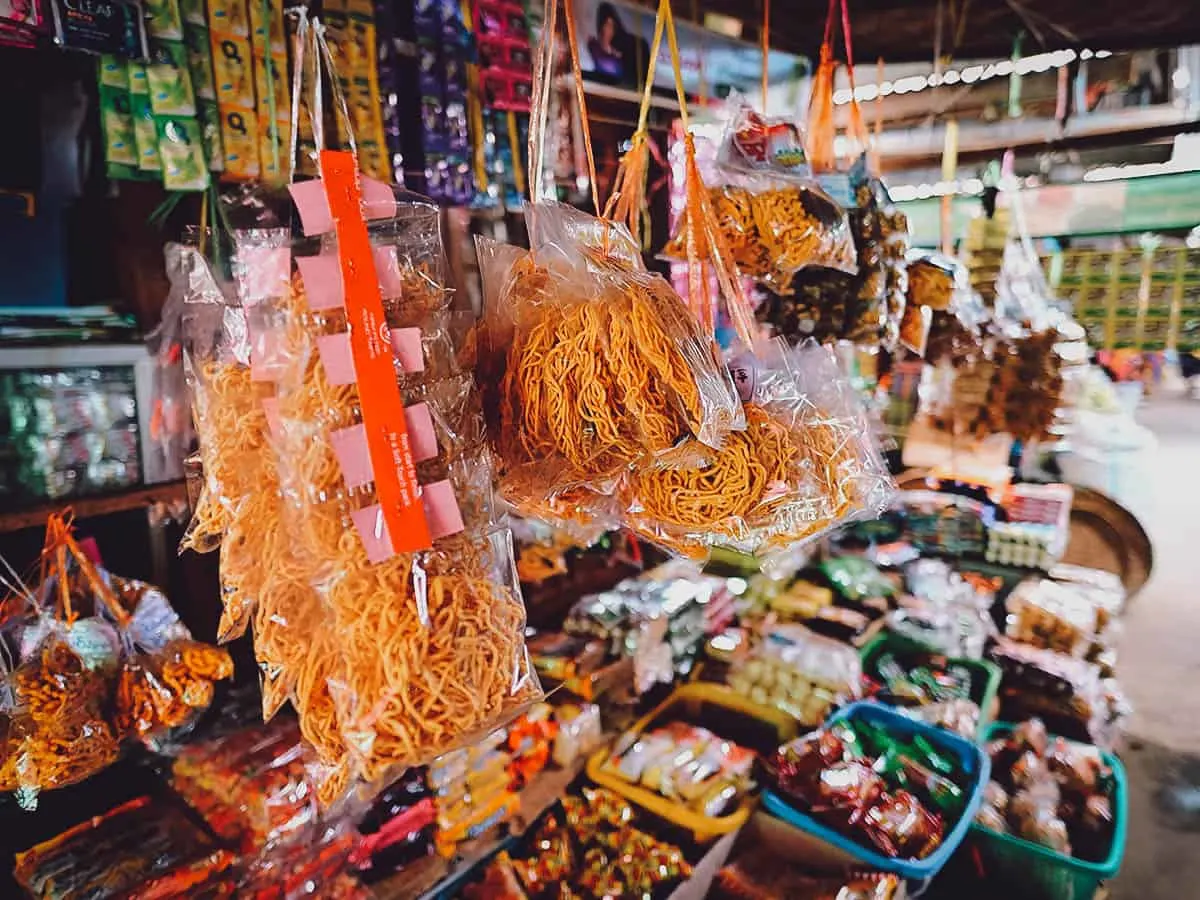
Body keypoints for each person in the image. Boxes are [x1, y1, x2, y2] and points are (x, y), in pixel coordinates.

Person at [587, 3, 648, 88]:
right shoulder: (594, 46)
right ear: (601, 25)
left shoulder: (623, 50)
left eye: (611, 25)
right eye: (606, 24)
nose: (608, 29)